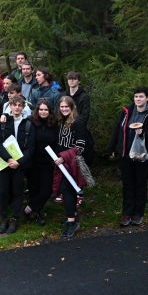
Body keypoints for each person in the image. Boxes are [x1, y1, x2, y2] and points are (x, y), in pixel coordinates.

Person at [107, 86, 148, 228]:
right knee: (128, 185)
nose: (138, 99)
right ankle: (127, 213)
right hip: (126, 154)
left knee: (140, 184)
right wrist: (111, 147)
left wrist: (144, 134)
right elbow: (117, 129)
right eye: (136, 96)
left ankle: (138, 213)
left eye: (141, 97)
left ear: (147, 98)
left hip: (143, 156)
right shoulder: (127, 112)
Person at [0, 95, 35, 234]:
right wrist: (8, 159)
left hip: (20, 165)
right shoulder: (3, 122)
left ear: (23, 107)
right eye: (14, 105)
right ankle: (4, 218)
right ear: (10, 106)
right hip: (5, 163)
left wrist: (19, 162)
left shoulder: (28, 124)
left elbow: (30, 147)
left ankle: (15, 219)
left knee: (18, 192)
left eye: (19, 105)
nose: (17, 107)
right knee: (3, 192)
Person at [53, 96, 88, 238]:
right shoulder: (61, 122)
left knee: (66, 189)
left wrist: (64, 157)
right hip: (62, 163)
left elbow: (80, 146)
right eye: (62, 107)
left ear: (72, 107)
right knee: (69, 190)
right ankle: (72, 215)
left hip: (72, 163)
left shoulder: (77, 123)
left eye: (66, 106)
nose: (64, 109)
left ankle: (71, 222)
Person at [23, 100, 59, 227]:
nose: (43, 112)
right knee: (34, 189)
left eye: (46, 110)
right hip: (33, 162)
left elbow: (57, 143)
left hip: (48, 163)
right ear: (37, 111)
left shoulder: (54, 125)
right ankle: (36, 213)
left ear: (50, 112)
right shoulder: (31, 122)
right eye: (41, 109)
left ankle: (27, 209)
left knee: (46, 190)